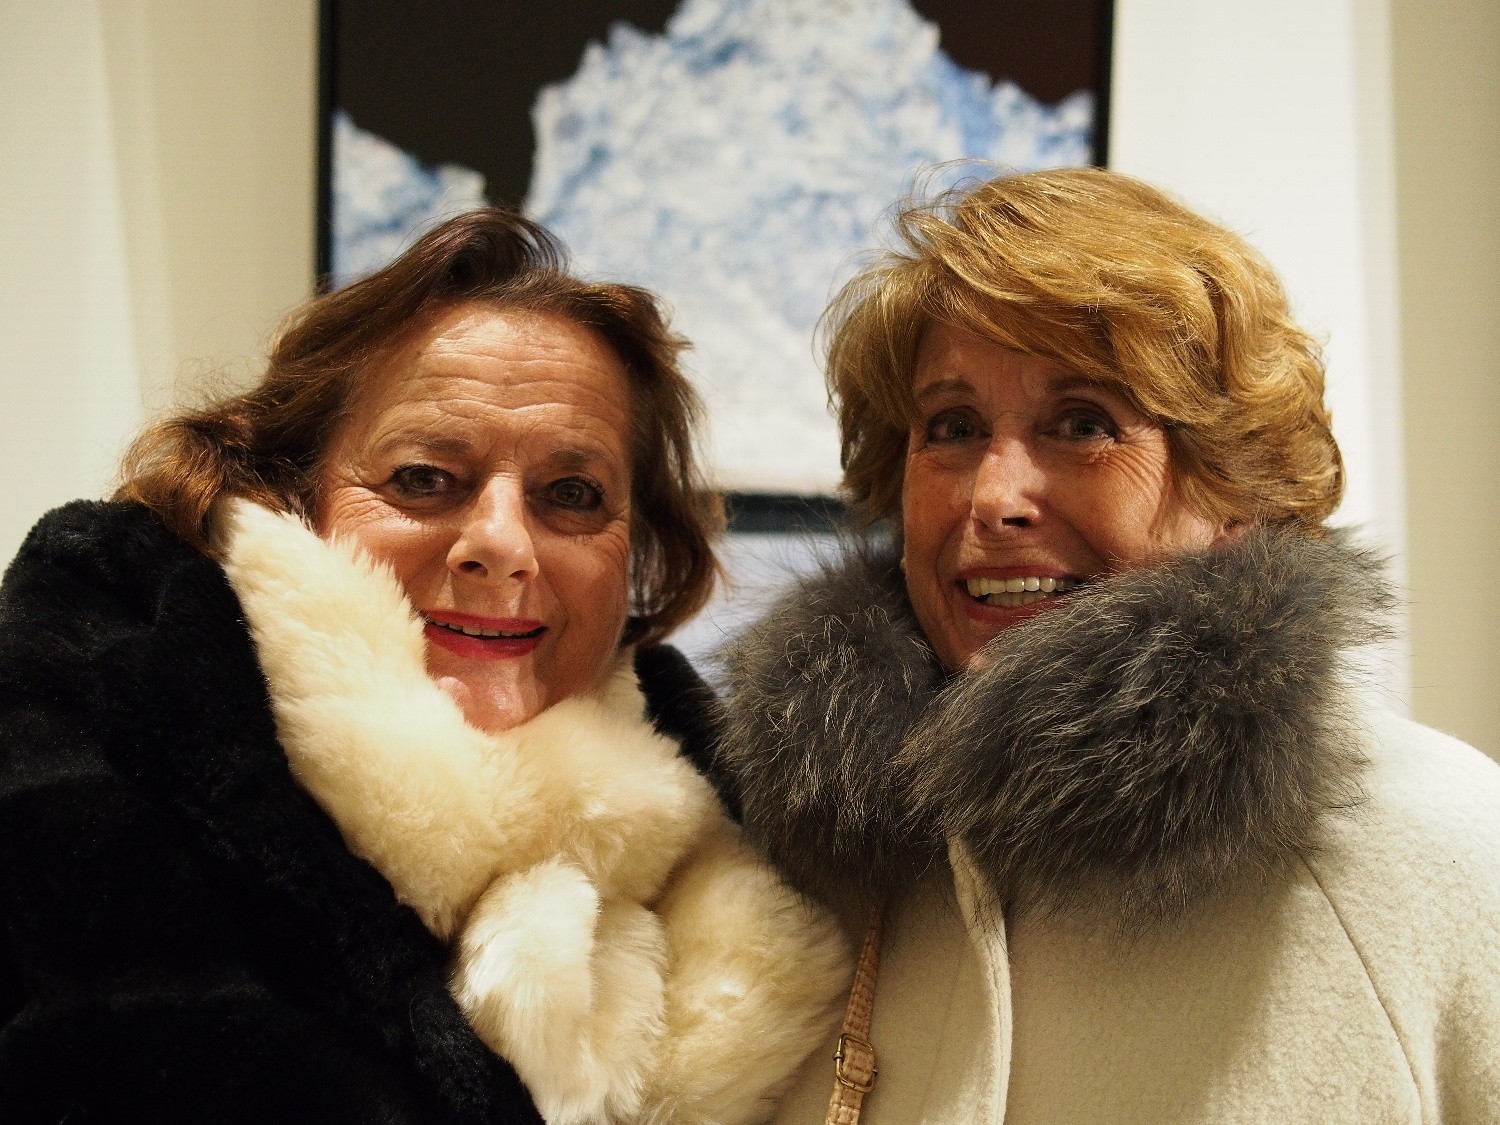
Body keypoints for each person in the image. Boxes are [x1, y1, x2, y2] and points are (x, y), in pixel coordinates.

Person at [0, 210, 850, 1124]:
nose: (502, 545)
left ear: (636, 551)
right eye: (422, 478)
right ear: (289, 496)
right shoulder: (89, 730)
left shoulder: (756, 848)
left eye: (571, 494)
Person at [718, 168, 1500, 1122]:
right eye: (953, 427)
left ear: (1235, 487)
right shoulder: (798, 877)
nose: (993, 497)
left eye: (1083, 424)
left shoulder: (1443, 857)